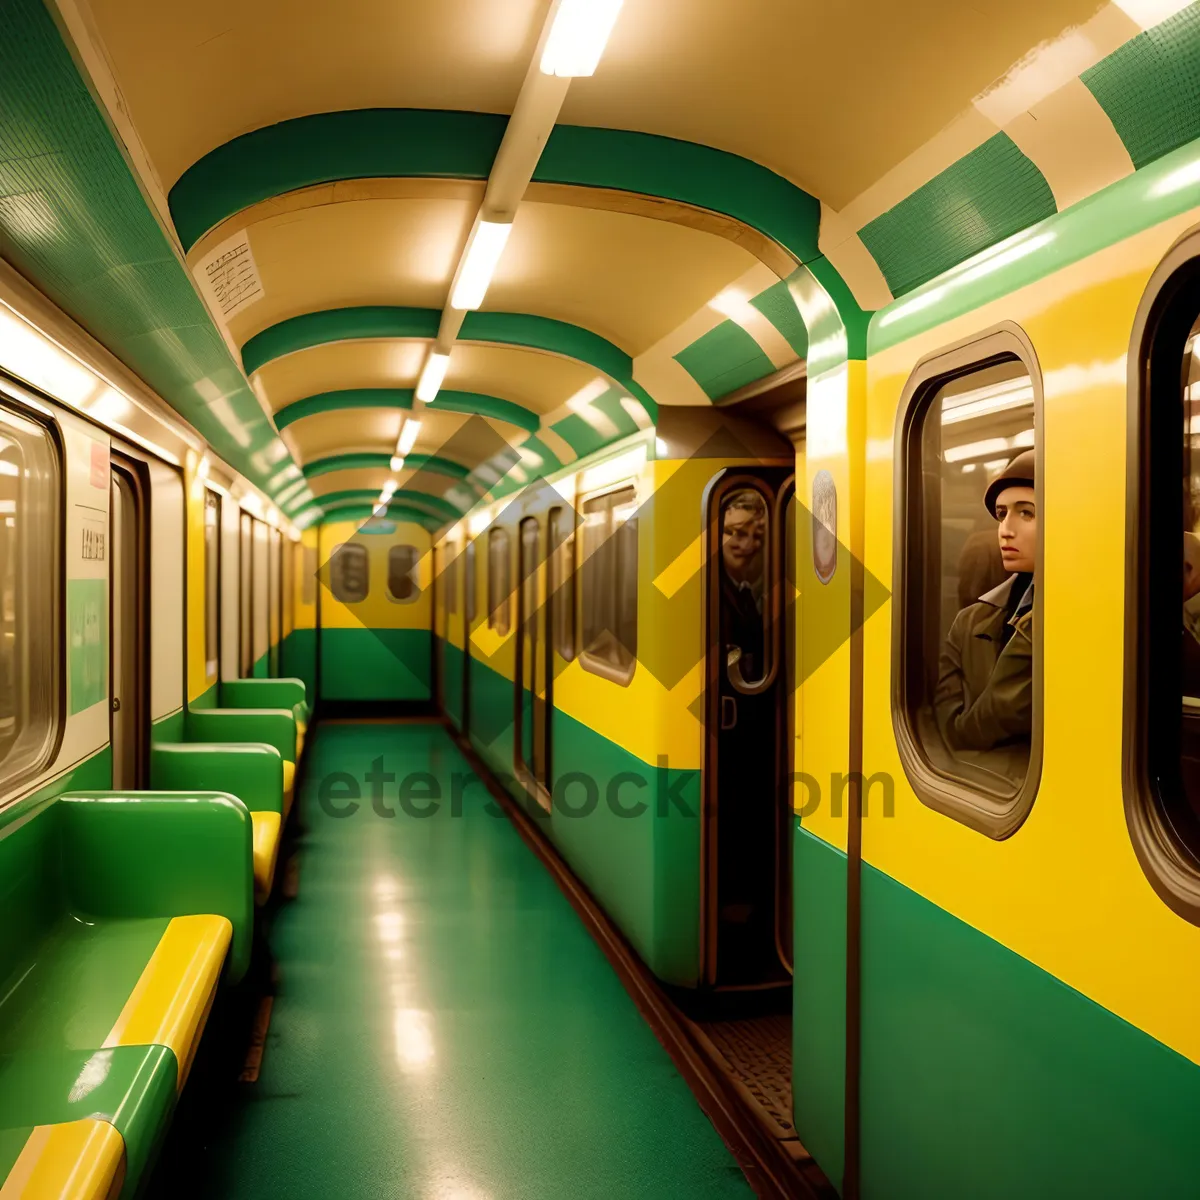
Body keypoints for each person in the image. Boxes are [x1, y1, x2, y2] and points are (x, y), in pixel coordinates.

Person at [934, 449, 1035, 755]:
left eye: (1026, 513)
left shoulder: (1073, 617)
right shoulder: (969, 621)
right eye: (1002, 514)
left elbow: (996, 715)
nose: (1005, 530)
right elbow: (946, 717)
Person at [720, 489, 766, 681]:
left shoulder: (745, 591)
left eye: (757, 537)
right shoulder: (710, 591)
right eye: (738, 533)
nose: (748, 545)